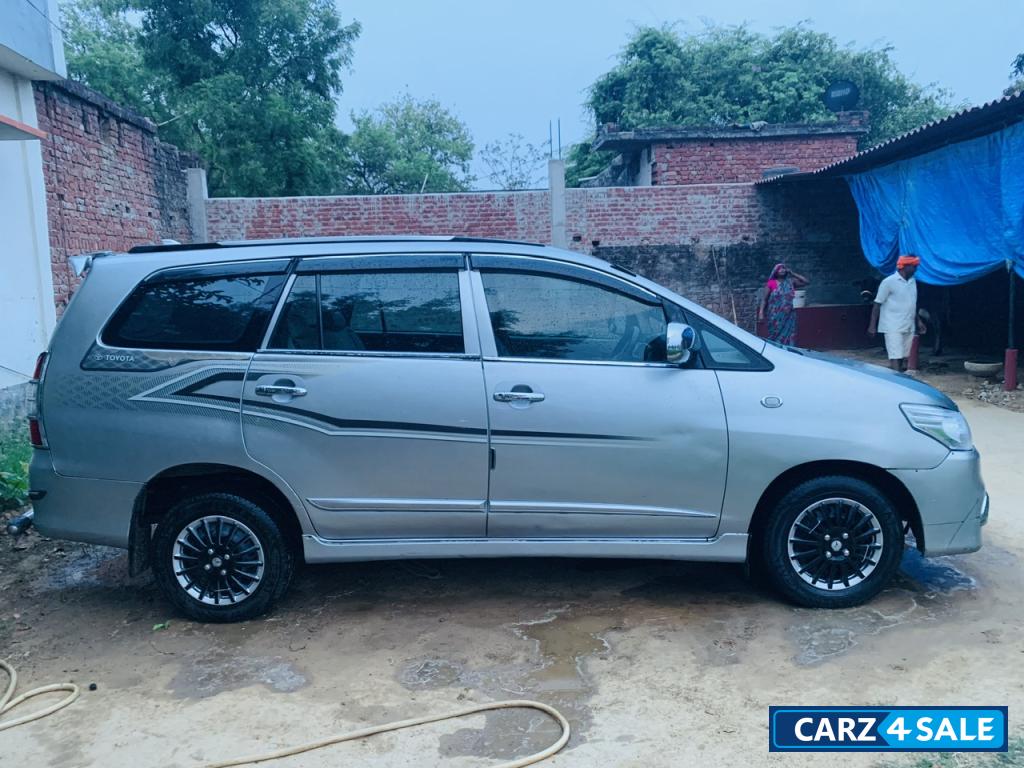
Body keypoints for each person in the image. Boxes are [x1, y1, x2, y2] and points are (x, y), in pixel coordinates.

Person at [868, 254, 928, 372]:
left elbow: (912, 304)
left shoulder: (912, 282)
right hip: (892, 325)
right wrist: (872, 325)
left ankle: (898, 375)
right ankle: (898, 381)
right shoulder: (888, 282)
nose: (915, 269)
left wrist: (919, 321)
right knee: (895, 355)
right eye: (913, 266)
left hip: (908, 324)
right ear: (904, 267)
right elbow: (877, 304)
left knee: (903, 355)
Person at [758, 263, 810, 346]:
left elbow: (806, 282)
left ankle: (788, 352)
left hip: (789, 315)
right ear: (775, 271)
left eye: (784, 268)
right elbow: (764, 300)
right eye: (779, 268)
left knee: (789, 335)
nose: (782, 270)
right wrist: (761, 313)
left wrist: (792, 273)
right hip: (775, 316)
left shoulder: (790, 282)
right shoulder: (772, 283)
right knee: (774, 335)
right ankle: (774, 351)